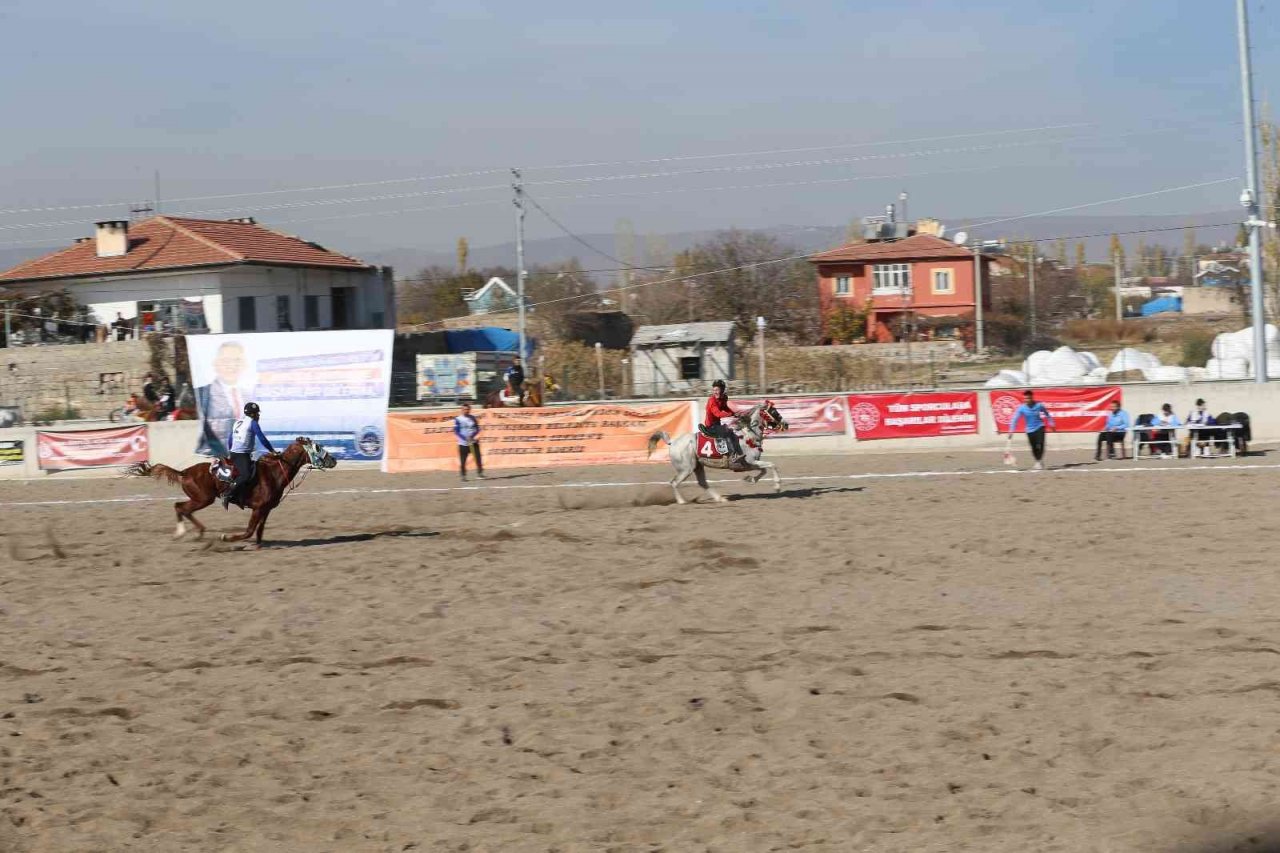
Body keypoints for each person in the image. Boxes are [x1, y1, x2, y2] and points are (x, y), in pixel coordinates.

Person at [197, 341, 248, 457]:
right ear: (215, 364)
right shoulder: (202, 394)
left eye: (237, 360)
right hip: (217, 457)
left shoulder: (252, 395)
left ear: (245, 364)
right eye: (226, 360)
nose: (232, 365)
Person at [223, 401, 277, 509]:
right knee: (245, 475)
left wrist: (230, 452)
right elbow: (262, 438)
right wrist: (272, 450)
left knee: (255, 473)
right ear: (252, 414)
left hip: (235, 453)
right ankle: (228, 494)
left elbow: (230, 439)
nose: (258, 416)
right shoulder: (253, 423)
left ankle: (242, 496)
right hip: (241, 455)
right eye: (257, 413)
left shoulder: (237, 422)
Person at [1008, 389, 1056, 471]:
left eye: (1028, 398)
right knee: (1034, 448)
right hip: (1029, 430)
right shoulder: (1022, 408)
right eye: (1025, 398)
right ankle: (1038, 460)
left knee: (1040, 444)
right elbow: (1015, 419)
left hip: (1040, 427)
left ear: (1032, 398)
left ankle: (1039, 461)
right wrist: (1011, 431)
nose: (1026, 400)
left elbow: (1047, 414)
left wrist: (1051, 423)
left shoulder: (1039, 405)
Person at [703, 379, 745, 467]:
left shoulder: (723, 398)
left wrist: (735, 413)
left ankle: (739, 453)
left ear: (722, 390)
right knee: (726, 431)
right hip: (710, 426)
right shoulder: (711, 400)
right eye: (714, 390)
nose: (715, 392)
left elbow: (725, 408)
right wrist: (730, 414)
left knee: (732, 432)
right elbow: (717, 414)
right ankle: (732, 457)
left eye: (717, 390)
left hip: (717, 424)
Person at [453, 402, 485, 481]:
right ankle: (463, 476)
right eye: (464, 409)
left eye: (467, 409)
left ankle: (480, 473)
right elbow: (456, 431)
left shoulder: (473, 418)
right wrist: (464, 438)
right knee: (463, 460)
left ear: (470, 410)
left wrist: (472, 436)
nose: (466, 411)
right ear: (461, 410)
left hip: (473, 442)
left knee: (478, 458)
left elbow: (477, 429)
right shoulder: (458, 419)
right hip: (463, 444)